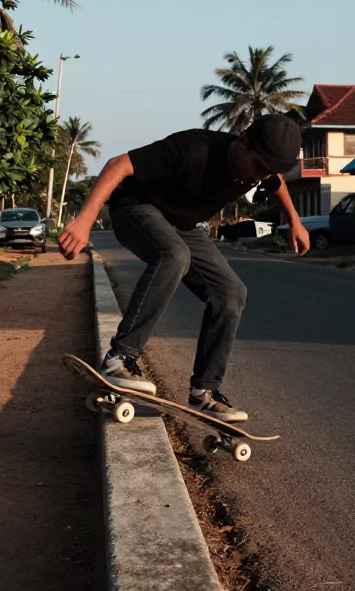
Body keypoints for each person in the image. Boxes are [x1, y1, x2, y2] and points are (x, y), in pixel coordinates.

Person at [58, 115, 309, 422]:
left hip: (183, 225)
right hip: (135, 208)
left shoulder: (261, 171)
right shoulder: (194, 148)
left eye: (266, 172)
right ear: (242, 142)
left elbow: (277, 183)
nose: (257, 177)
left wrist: (296, 221)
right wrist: (84, 220)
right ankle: (119, 357)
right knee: (174, 255)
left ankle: (204, 392)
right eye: (257, 166)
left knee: (231, 293)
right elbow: (118, 164)